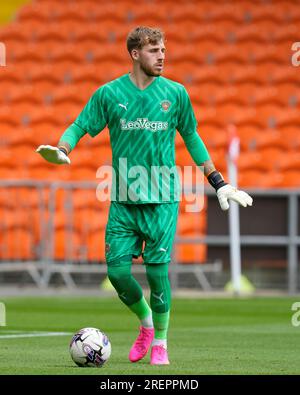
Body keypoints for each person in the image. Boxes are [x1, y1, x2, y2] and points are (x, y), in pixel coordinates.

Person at [36, 26, 253, 365]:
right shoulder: (109, 94)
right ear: (135, 54)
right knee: (118, 274)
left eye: (164, 49)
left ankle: (161, 343)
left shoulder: (176, 93)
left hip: (163, 199)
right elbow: (80, 124)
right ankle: (147, 324)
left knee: (156, 274)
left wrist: (218, 181)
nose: (162, 56)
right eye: (154, 51)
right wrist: (63, 148)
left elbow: (192, 137)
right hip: (123, 200)